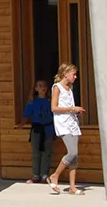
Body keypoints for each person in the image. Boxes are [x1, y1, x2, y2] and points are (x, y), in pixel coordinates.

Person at [46, 63, 86, 195]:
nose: (75, 77)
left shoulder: (70, 88)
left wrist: (76, 111)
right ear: (65, 74)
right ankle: (55, 175)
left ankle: (72, 187)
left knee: (75, 157)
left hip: (73, 123)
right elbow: (54, 108)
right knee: (72, 152)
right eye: (73, 74)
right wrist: (71, 109)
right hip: (63, 124)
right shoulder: (57, 87)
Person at [19, 80, 54, 184]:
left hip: (48, 129)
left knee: (46, 152)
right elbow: (26, 115)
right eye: (40, 86)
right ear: (36, 89)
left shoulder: (51, 100)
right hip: (37, 129)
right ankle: (35, 175)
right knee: (36, 152)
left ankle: (44, 175)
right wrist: (21, 124)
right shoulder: (33, 101)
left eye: (44, 86)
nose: (42, 88)